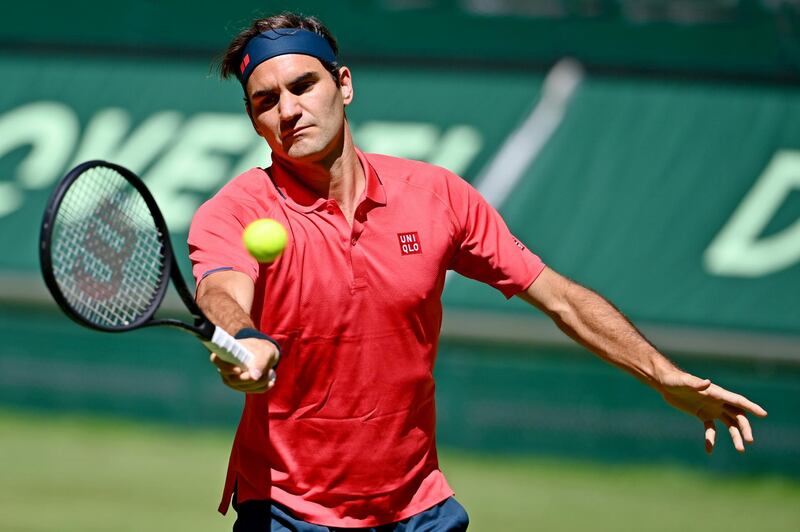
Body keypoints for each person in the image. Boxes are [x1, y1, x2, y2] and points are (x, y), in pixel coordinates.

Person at [187, 11, 768, 532]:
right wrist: (242, 341)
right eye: (265, 101)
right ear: (254, 121)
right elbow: (220, 292)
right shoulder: (236, 211)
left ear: (343, 84)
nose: (288, 110)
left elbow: (561, 298)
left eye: (303, 85)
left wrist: (662, 375)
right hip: (289, 511)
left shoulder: (436, 195)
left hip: (416, 507)